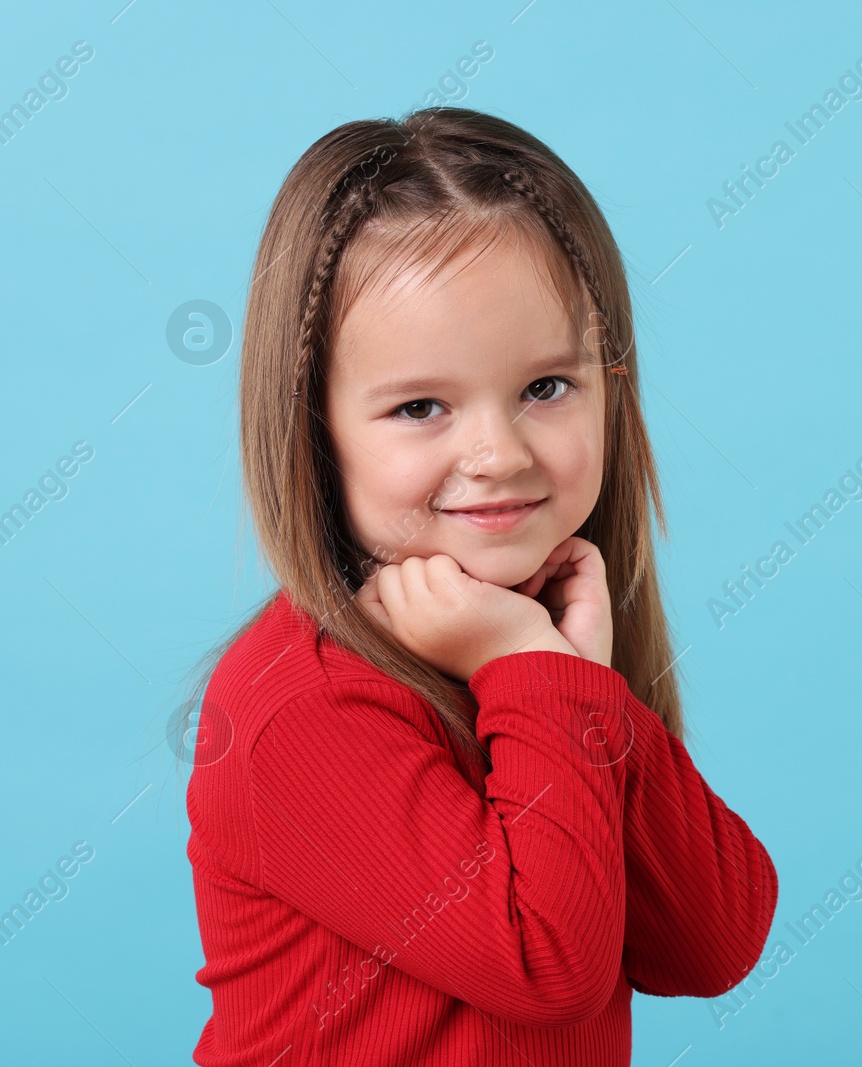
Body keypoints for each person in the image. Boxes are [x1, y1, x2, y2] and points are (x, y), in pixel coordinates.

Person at [177, 106, 779, 1065]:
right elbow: (550, 966)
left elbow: (713, 940)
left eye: (547, 387)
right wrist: (533, 669)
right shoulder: (305, 703)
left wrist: (572, 686)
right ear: (314, 428)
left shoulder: (534, 641)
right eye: (421, 406)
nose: (498, 453)